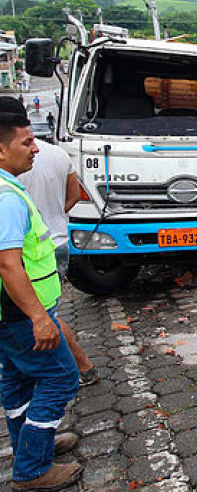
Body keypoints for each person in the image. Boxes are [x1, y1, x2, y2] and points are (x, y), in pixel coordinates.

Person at [0, 102, 81, 490]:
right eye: (27, 142)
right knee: (62, 378)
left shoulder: (8, 189)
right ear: (1, 150)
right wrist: (39, 317)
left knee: (17, 382)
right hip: (20, 314)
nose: (35, 148)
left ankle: (29, 445)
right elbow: (8, 265)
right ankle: (33, 467)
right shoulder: (7, 199)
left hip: (9, 314)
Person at [17, 137, 100, 388]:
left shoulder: (12, 168)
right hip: (58, 241)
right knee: (44, 312)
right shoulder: (57, 153)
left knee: (43, 315)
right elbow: (73, 195)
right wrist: (53, 217)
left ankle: (80, 367)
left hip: (28, 251)